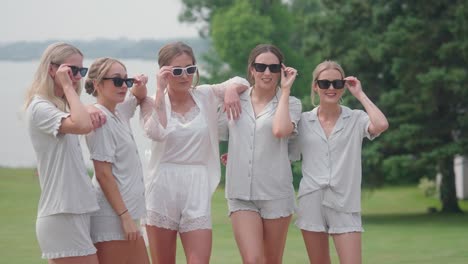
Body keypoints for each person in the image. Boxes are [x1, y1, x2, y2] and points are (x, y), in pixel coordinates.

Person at [139, 41, 249, 264]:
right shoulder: (152, 101)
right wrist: (159, 90)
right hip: (162, 185)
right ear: (164, 72)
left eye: (190, 69)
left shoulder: (205, 95)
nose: (184, 76)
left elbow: (243, 81)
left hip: (197, 183)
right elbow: (156, 132)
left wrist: (229, 91)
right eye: (177, 71)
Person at [289, 60, 389, 264]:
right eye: (325, 83)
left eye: (337, 83)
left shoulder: (356, 118)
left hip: (345, 202)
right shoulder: (303, 121)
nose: (331, 88)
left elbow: (381, 124)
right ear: (315, 86)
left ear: (344, 86)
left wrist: (360, 94)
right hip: (311, 199)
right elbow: (283, 153)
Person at [219, 43, 301, 264]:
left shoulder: (292, 103)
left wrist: (285, 90)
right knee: (253, 260)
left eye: (273, 68)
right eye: (261, 67)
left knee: (272, 260)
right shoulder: (233, 100)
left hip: (276, 193)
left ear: (281, 71)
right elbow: (207, 131)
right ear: (252, 69)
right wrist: (229, 89)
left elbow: (280, 130)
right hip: (240, 194)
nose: (267, 72)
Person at [25, 42, 100, 263]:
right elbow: (83, 125)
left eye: (80, 71)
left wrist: (89, 107)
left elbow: (81, 119)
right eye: (71, 70)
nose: (77, 77)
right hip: (62, 213)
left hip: (75, 209)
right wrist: (69, 88)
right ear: (52, 69)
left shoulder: (59, 107)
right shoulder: (40, 107)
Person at [83, 57, 150, 264]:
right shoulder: (100, 121)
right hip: (113, 218)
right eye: (117, 81)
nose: (124, 86)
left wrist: (139, 86)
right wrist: (125, 217)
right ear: (97, 84)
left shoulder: (118, 111)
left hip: (126, 215)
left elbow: (137, 97)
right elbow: (103, 173)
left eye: (126, 80)